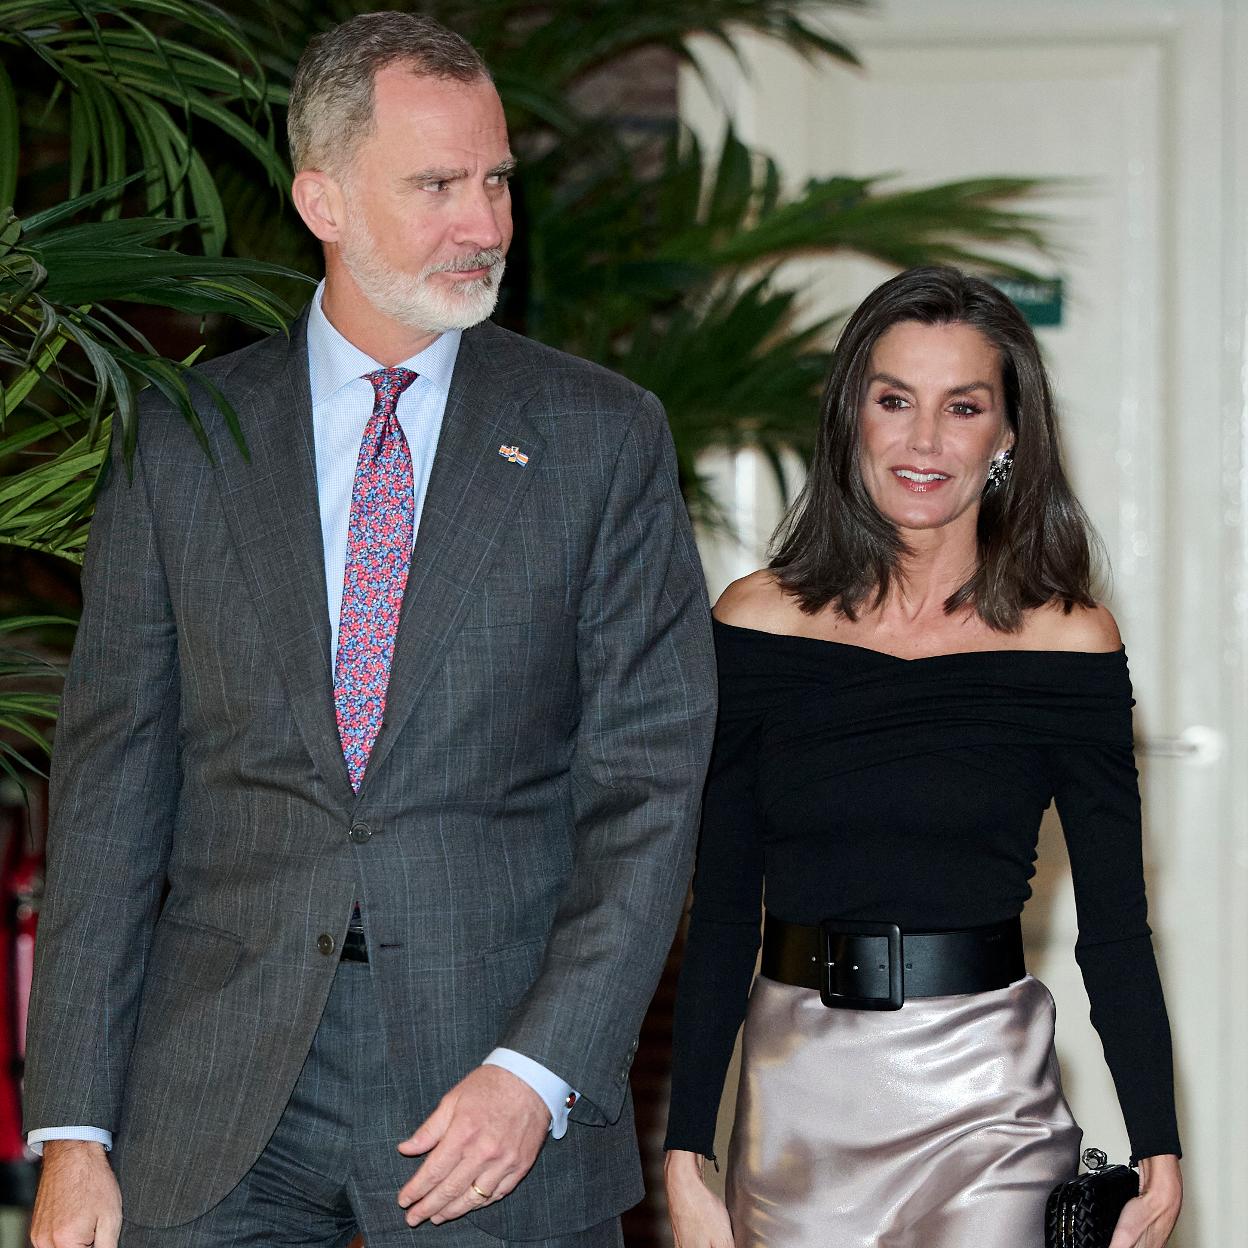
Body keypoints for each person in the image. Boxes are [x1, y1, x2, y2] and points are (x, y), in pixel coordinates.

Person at [23, 12, 717, 1247]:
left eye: (497, 179)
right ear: (322, 200)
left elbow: (650, 792)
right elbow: (110, 793)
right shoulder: (184, 437)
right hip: (218, 1097)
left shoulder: (601, 439)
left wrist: (541, 1070)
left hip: (489, 1095)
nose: (487, 223)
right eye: (439, 184)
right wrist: (74, 1129)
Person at [663, 266, 1183, 1248]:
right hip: (798, 1099)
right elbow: (724, 905)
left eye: (964, 407)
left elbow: (1116, 923)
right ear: (852, 417)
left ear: (1006, 438)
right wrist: (688, 1153)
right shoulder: (755, 621)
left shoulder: (1068, 644)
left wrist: (1160, 1147)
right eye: (893, 400)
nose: (924, 441)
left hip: (989, 1099)